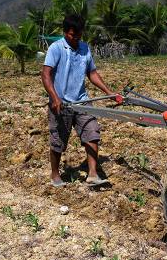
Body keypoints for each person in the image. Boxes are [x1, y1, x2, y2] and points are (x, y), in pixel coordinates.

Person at [41, 14, 120, 187]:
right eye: (71, 35)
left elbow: (91, 73)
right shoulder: (56, 48)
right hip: (61, 103)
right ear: (65, 32)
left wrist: (109, 92)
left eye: (78, 35)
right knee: (58, 141)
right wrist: (54, 98)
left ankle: (92, 174)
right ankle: (55, 174)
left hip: (82, 101)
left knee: (92, 133)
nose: (75, 38)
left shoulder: (84, 48)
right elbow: (45, 75)